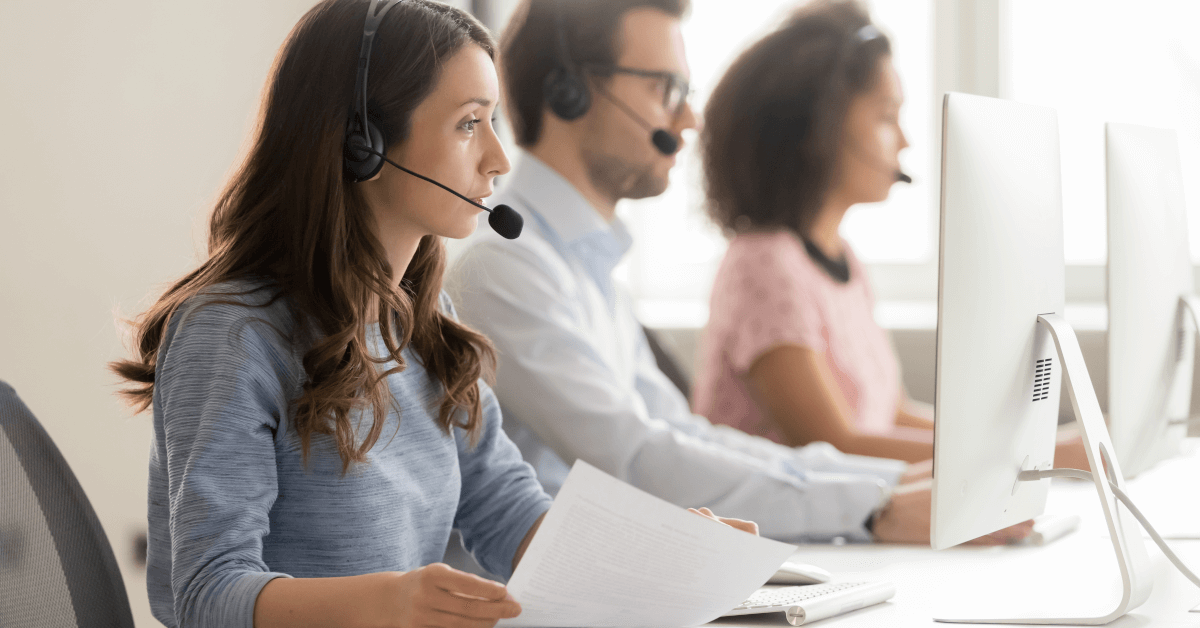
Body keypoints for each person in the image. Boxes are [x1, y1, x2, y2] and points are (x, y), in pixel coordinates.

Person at [105, 2, 756, 626]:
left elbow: (509, 513)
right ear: (365, 141)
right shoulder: (235, 334)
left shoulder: (423, 328)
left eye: (495, 121)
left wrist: (667, 554)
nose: (499, 159)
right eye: (470, 123)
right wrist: (384, 607)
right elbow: (204, 592)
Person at [446, 0, 1032, 546]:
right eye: (664, 88)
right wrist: (874, 506)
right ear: (568, 92)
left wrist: (895, 485)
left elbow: (684, 436)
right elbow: (634, 459)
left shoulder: (583, 268)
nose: (689, 117)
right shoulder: (505, 271)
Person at [693, 0, 1088, 468]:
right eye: (886, 116)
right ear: (819, 126)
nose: (903, 141)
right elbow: (833, 445)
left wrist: (1030, 441)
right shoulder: (763, 265)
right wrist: (1033, 454)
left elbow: (889, 415)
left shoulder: (841, 261)